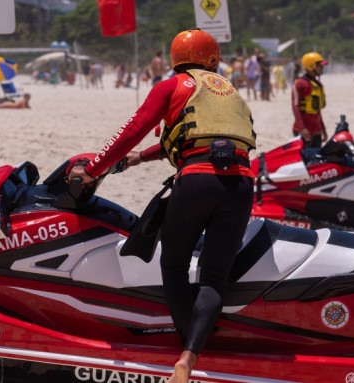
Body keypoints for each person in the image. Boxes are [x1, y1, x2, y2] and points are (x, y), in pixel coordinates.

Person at [67, 29, 256, 383]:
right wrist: (142, 158)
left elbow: (134, 128)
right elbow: (204, 137)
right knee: (214, 277)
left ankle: (184, 351)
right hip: (242, 185)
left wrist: (93, 169)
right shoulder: (231, 92)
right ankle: (190, 356)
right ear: (213, 60)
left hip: (196, 182)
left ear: (175, 59)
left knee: (174, 266)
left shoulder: (172, 86)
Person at [291, 52, 329, 148]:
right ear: (311, 66)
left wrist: (323, 129)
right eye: (320, 66)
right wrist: (302, 128)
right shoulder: (300, 83)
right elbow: (295, 107)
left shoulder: (317, 84)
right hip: (304, 131)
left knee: (315, 160)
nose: (322, 68)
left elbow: (317, 111)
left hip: (316, 130)